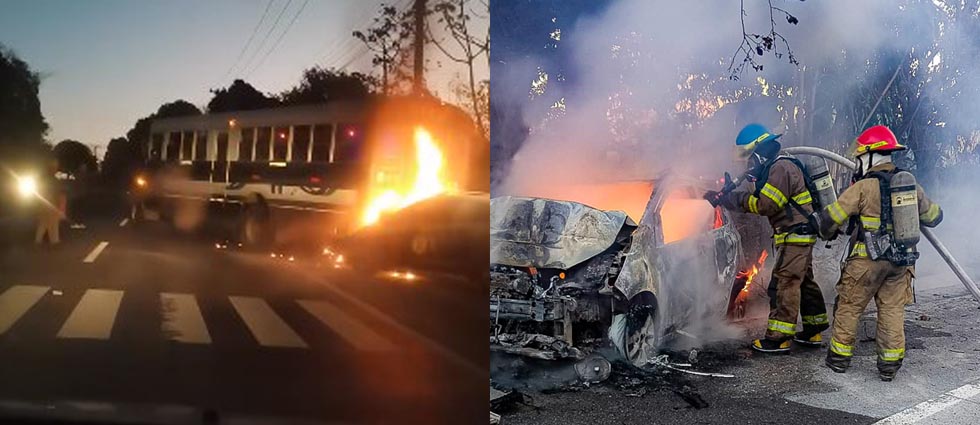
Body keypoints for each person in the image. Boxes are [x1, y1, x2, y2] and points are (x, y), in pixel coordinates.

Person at [814, 125, 942, 381]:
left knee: (850, 306)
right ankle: (889, 366)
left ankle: (839, 359)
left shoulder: (863, 187)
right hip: (901, 262)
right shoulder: (909, 184)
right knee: (892, 310)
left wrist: (819, 226)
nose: (858, 162)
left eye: (860, 157)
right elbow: (934, 217)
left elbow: (833, 218)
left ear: (871, 156)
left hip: (866, 261)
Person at [704, 123, 829, 353]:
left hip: (796, 235)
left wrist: (734, 201)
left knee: (785, 282)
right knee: (803, 281)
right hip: (797, 234)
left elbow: (767, 204)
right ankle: (814, 330)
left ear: (759, 151)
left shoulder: (781, 168)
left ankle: (778, 338)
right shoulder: (776, 166)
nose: (749, 163)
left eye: (750, 157)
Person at [34, 158, 66, 246]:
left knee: (43, 223)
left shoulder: (42, 179)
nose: (55, 169)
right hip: (51, 203)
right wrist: (61, 206)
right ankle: (54, 242)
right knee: (53, 223)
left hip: (42, 203)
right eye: (54, 167)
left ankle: (38, 241)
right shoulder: (54, 180)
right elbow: (60, 194)